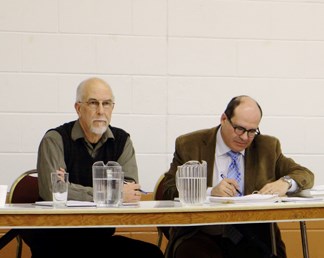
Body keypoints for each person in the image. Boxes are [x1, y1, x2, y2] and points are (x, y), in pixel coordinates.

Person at [23, 77, 164, 258]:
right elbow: (52, 191)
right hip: (57, 238)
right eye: (93, 103)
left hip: (99, 238)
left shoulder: (122, 141)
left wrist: (72, 189)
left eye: (106, 104)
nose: (100, 111)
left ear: (112, 108)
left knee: (151, 254)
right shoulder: (55, 139)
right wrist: (110, 194)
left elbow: (130, 190)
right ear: (78, 108)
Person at [161, 95, 314, 258]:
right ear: (224, 119)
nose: (245, 137)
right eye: (239, 129)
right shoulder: (190, 144)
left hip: (253, 236)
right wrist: (209, 192)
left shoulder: (266, 147)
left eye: (252, 131)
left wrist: (286, 183)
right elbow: (169, 189)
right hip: (200, 233)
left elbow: (305, 175)